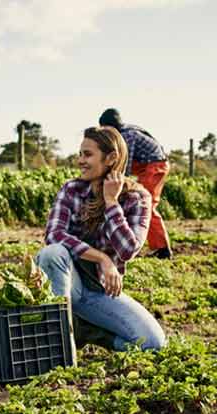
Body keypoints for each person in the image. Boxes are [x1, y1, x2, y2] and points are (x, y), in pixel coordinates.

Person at [36, 126, 166, 351]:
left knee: (153, 344)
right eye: (80, 154)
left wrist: (111, 202)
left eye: (88, 154)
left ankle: (87, 331)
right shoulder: (72, 190)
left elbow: (128, 249)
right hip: (66, 283)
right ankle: (58, 343)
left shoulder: (137, 197)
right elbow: (54, 235)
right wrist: (102, 259)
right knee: (52, 253)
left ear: (111, 158)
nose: (80, 161)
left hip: (99, 290)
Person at [99, 108, 172, 259]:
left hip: (155, 166)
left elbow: (125, 164)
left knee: (147, 206)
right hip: (147, 166)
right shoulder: (125, 132)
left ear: (111, 127)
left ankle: (163, 250)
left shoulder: (127, 136)